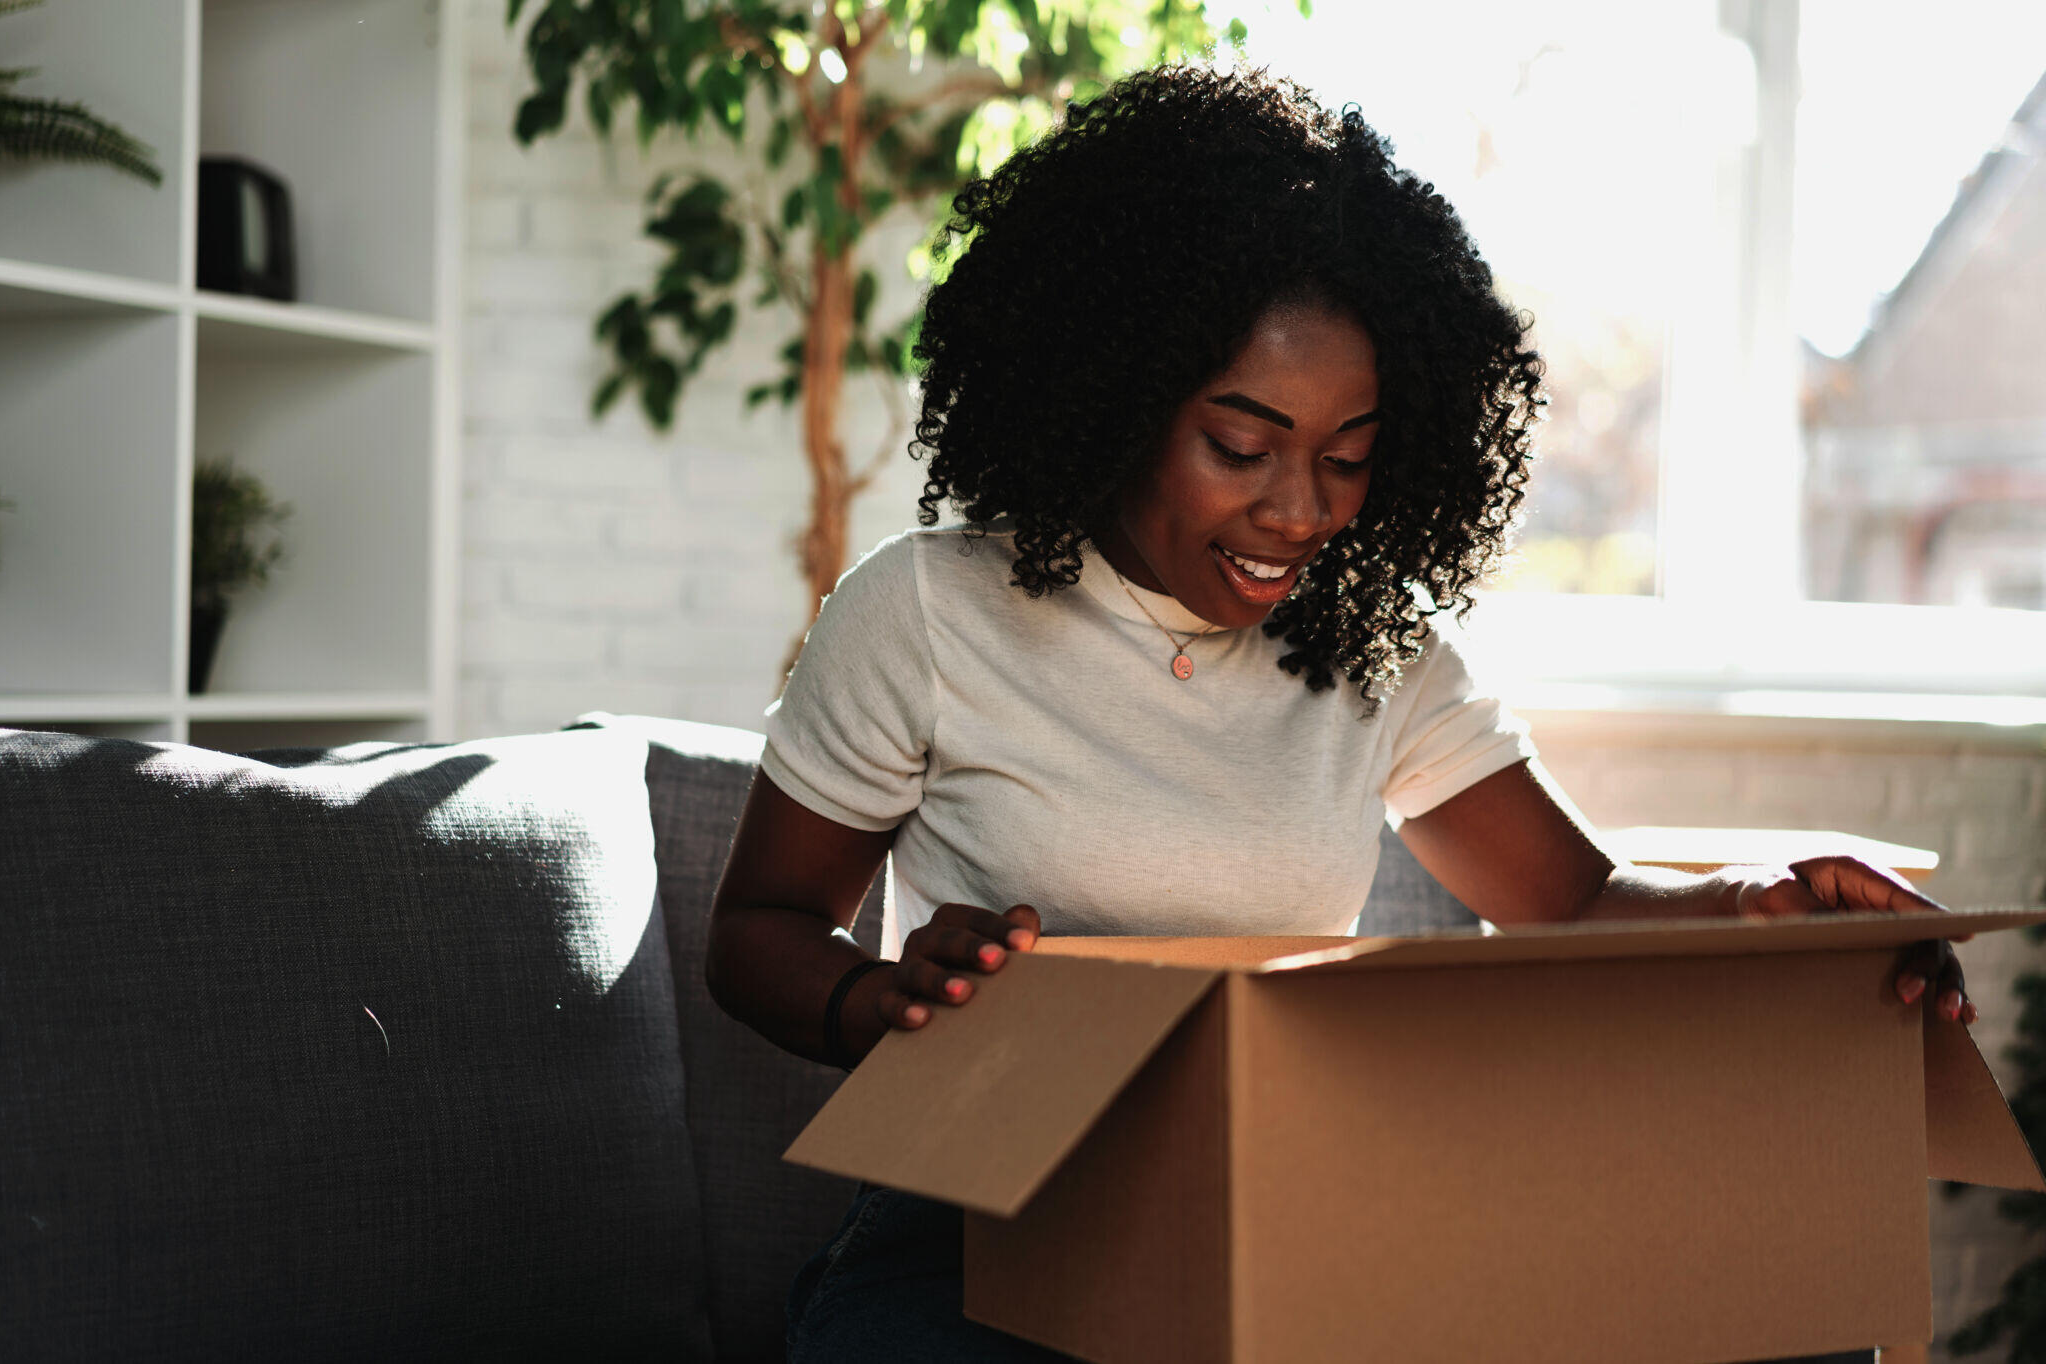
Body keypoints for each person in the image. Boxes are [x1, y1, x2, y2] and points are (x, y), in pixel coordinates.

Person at [706, 62, 1971, 1364]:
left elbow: (1575, 902)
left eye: (1347, 456)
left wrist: (1761, 905)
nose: (1301, 510)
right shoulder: (929, 609)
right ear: (1118, 399)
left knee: (1769, 1322)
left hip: (1267, 1215)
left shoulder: (1376, 649)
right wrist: (880, 1000)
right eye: (1242, 448)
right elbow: (759, 929)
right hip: (977, 1223)